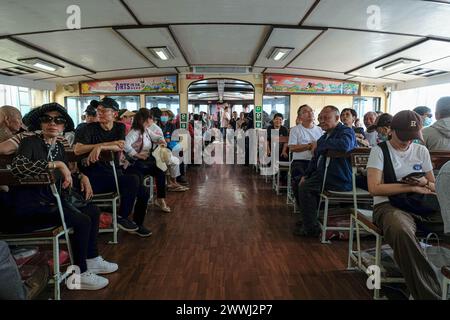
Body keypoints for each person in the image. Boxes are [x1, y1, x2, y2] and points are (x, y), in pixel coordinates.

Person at [8, 102, 118, 290]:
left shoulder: (58, 146)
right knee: (82, 220)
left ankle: (91, 259)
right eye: (47, 119)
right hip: (32, 206)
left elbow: (68, 173)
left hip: (53, 200)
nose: (52, 123)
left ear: (63, 127)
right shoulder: (30, 143)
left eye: (58, 121)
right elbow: (20, 168)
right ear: (40, 124)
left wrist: (82, 176)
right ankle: (79, 274)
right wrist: (57, 165)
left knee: (92, 209)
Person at [367, 110, 442, 300]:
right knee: (401, 230)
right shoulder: (379, 151)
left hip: (420, 203)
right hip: (388, 206)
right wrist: (409, 187)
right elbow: (375, 188)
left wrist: (423, 183)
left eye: (412, 138)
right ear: (390, 130)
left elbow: (434, 186)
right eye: (404, 137)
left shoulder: (421, 150)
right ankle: (429, 293)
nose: (408, 142)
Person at [74, 97, 151, 237]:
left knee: (144, 191)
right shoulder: (88, 128)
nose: (100, 113)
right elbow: (77, 149)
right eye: (98, 110)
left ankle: (137, 224)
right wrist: (96, 146)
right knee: (133, 179)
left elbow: (120, 145)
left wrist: (101, 146)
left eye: (104, 110)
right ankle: (122, 217)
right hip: (93, 178)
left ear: (115, 114)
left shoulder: (119, 127)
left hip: (114, 175)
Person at [295, 105, 357, 237]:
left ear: (337, 118)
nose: (322, 120)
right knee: (301, 182)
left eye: (326, 118)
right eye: (320, 118)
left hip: (339, 178)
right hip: (324, 175)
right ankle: (309, 221)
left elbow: (345, 145)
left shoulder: (345, 131)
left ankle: (311, 228)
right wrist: (306, 175)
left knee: (305, 188)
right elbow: (314, 158)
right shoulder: (325, 136)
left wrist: (318, 146)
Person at [124, 109, 171, 213]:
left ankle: (160, 199)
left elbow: (156, 137)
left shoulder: (146, 130)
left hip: (145, 161)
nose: (152, 120)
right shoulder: (135, 132)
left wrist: (161, 140)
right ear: (146, 119)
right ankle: (139, 204)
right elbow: (125, 145)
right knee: (138, 178)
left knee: (160, 171)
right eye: (150, 118)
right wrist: (137, 154)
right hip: (135, 163)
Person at [288, 104, 323, 211]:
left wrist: (314, 146)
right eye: (305, 111)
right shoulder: (296, 130)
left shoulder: (320, 130)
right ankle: (304, 211)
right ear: (299, 117)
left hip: (317, 162)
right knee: (300, 184)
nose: (310, 113)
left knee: (319, 184)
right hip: (300, 162)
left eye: (311, 110)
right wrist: (309, 146)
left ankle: (313, 211)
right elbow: (292, 148)